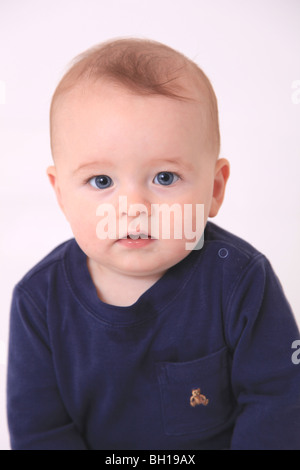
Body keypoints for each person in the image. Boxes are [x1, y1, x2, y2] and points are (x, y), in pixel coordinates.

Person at [7, 38, 300, 450]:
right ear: (60, 194)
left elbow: (278, 401)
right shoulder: (39, 302)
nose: (133, 208)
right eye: (102, 181)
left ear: (214, 189)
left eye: (164, 177)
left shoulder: (240, 280)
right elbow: (41, 430)